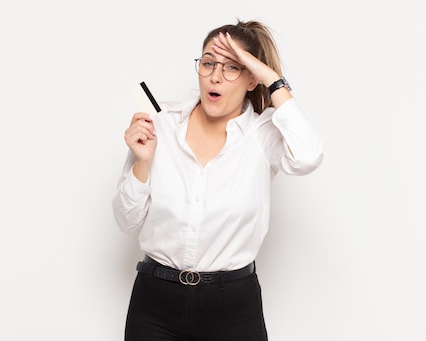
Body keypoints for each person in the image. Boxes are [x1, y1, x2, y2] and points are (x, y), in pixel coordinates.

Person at [112, 20, 323, 341]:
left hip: (234, 306)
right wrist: (143, 163)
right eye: (208, 63)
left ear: (252, 78)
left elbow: (308, 156)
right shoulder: (161, 125)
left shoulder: (262, 134)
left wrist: (272, 79)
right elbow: (126, 221)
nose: (215, 76)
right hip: (155, 301)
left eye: (232, 68)